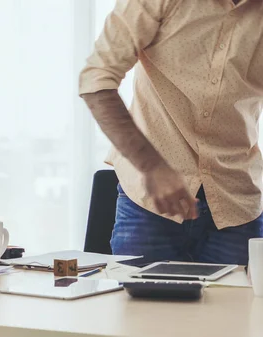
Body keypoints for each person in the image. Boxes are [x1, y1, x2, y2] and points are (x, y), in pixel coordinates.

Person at [79, 0, 263, 265]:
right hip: (148, 207)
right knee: (144, 307)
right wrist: (152, 167)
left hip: (238, 206)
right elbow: (96, 80)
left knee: (236, 308)